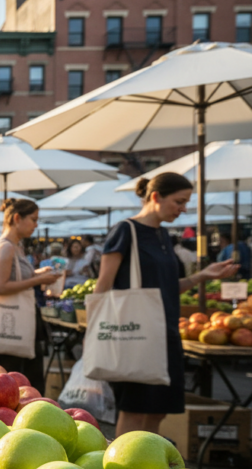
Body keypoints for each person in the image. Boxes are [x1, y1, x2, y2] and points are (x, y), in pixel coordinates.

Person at [95, 173, 237, 436]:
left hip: (166, 334)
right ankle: (123, 468)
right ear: (156, 197)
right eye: (179, 201)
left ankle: (149, 465)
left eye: (186, 202)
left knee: (159, 408)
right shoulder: (126, 231)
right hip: (135, 334)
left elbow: (168, 286)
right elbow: (102, 287)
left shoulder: (163, 235)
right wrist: (94, 333)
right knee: (135, 408)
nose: (184, 209)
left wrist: (203, 276)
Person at [0, 199, 61, 390]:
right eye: (33, 219)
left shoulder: (12, 246)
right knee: (22, 383)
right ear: (17, 218)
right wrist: (38, 280)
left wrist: (37, 273)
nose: (36, 225)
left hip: (18, 323)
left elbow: (13, 277)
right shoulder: (7, 247)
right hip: (14, 323)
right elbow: (0, 286)